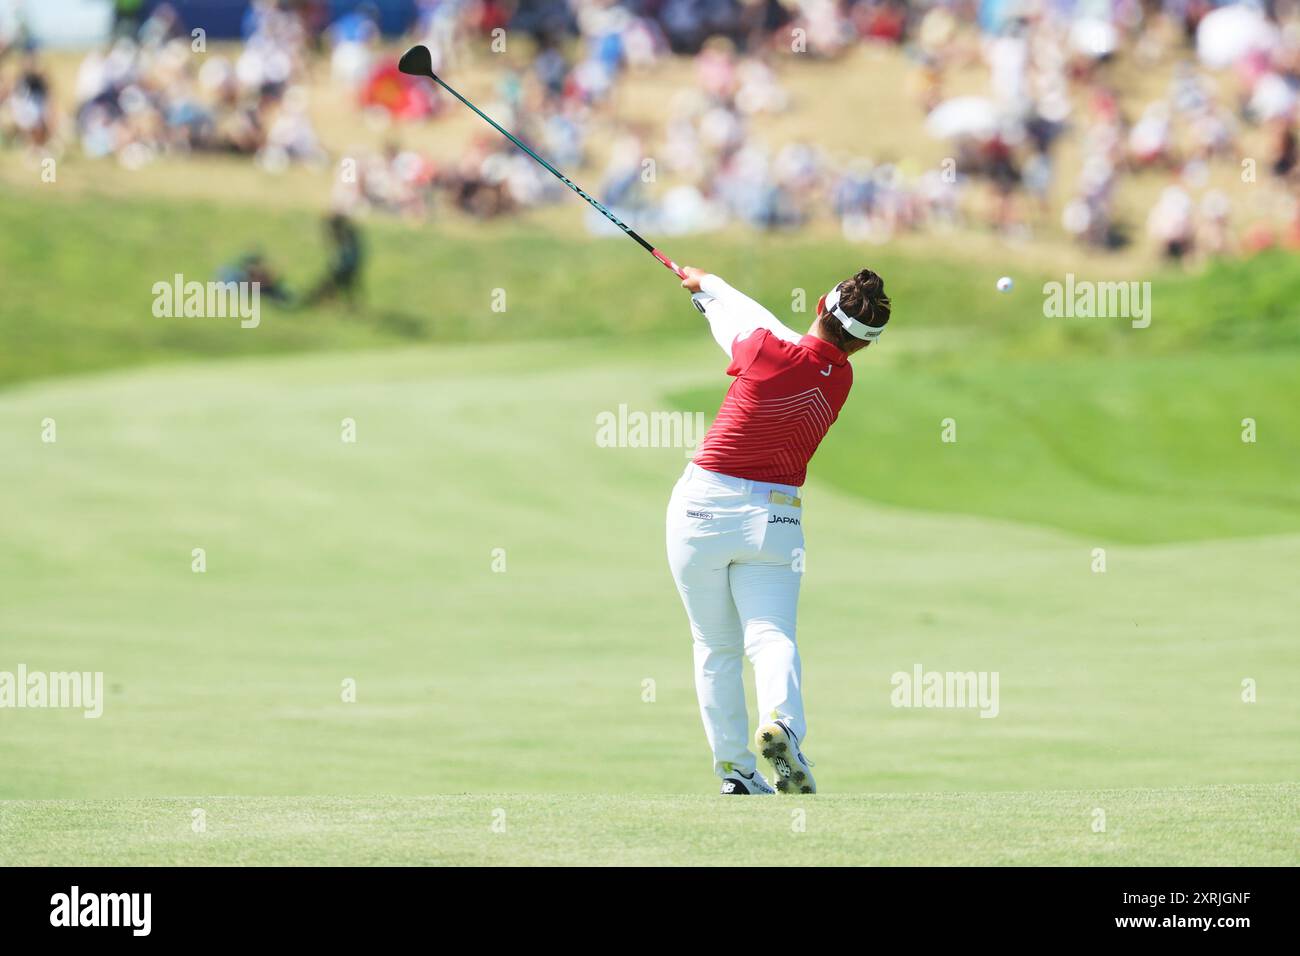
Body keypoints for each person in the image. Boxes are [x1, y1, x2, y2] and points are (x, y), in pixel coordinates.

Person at [667, 266, 892, 795]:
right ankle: (784, 724)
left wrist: (710, 291)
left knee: (714, 646)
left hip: (701, 509)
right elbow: (781, 333)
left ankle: (736, 772)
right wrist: (714, 286)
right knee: (771, 635)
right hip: (776, 521)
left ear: (819, 304)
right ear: (865, 345)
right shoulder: (840, 380)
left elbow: (742, 326)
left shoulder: (766, 351)